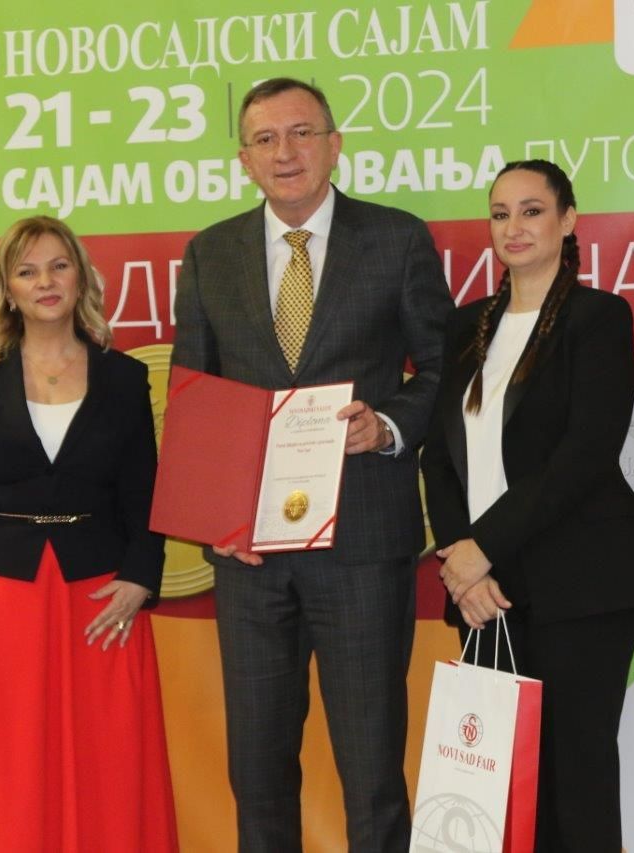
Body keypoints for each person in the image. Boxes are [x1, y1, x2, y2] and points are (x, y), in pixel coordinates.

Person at [171, 77, 453, 851]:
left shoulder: (395, 239)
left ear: (334, 145)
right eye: (265, 139)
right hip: (250, 553)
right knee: (258, 772)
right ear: (244, 160)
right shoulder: (209, 254)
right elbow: (194, 397)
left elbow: (442, 367)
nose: (285, 152)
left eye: (301, 133)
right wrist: (214, 519)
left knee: (371, 771)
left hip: (363, 543)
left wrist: (387, 424)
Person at [0, 216, 178, 852]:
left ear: (80, 278)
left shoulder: (124, 378)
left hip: (97, 602)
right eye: (27, 271)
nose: (45, 281)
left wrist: (140, 577)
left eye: (58, 266)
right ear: (8, 289)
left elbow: (144, 495)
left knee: (103, 765)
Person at [420, 160, 634, 852]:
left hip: (580, 583)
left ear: (568, 220)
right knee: (497, 789)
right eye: (500, 213)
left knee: (575, 784)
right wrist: (461, 563)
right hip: (486, 593)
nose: (514, 227)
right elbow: (438, 456)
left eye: (532, 211)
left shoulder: (598, 319)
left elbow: (584, 454)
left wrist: (483, 548)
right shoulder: (465, 326)